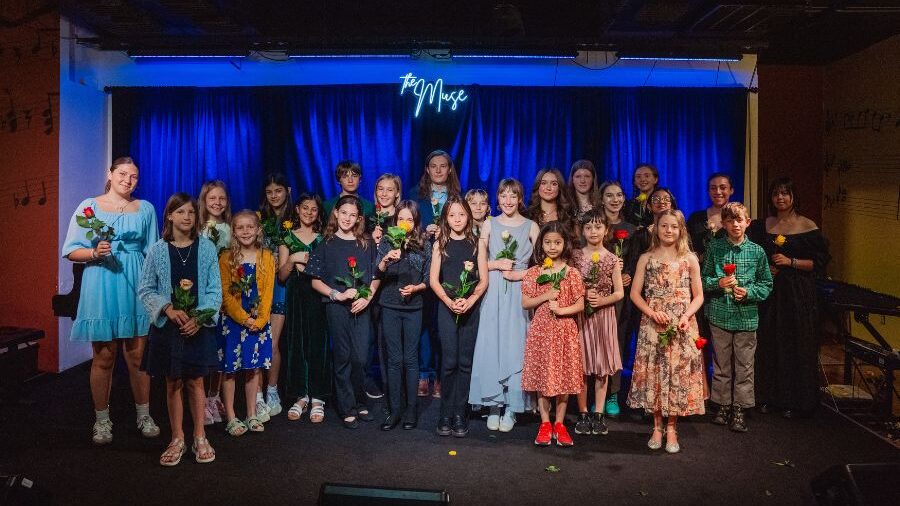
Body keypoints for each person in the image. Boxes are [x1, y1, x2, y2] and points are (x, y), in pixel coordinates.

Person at [61, 156, 160, 445]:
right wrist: (94, 252)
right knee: (104, 356)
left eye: (134, 176)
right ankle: (102, 420)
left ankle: (144, 415)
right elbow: (71, 250)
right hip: (101, 281)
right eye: (123, 174)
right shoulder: (89, 207)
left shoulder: (145, 208)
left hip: (135, 281)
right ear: (110, 173)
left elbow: (152, 251)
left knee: (137, 356)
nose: (128, 180)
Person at [139, 193, 221, 465]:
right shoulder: (157, 250)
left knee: (196, 381)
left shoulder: (206, 248)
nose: (187, 217)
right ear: (170, 216)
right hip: (169, 327)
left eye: (191, 212)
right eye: (181, 212)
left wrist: (199, 317)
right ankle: (177, 438)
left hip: (197, 326)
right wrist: (167, 309)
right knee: (173, 381)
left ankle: (199, 436)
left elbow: (214, 290)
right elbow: (146, 289)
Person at [750, 178, 830, 419]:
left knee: (795, 343)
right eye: (776, 193)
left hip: (797, 294)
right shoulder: (762, 225)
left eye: (785, 193)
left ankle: (795, 401)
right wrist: (766, 268)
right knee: (768, 342)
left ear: (793, 197)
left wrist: (790, 262)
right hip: (770, 293)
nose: (780, 198)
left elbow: (819, 263)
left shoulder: (808, 226)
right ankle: (767, 397)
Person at [627, 210, 706, 453]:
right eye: (664, 226)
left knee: (677, 375)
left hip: (681, 324)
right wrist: (652, 313)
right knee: (655, 372)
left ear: (681, 230)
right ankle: (657, 426)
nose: (669, 230)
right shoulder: (646, 258)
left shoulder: (689, 258)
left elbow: (698, 296)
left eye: (673, 226)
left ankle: (672, 427)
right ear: (656, 228)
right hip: (654, 323)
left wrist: (686, 315)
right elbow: (635, 294)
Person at [469, 178, 539, 432]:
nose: (508, 201)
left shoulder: (531, 226)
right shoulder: (489, 224)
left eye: (513, 196)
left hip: (519, 292)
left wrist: (520, 274)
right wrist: (495, 264)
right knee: (492, 344)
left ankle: (512, 407)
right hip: (493, 290)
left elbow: (544, 265)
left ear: (520, 199)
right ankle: (493, 405)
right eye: (503, 195)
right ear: (497, 199)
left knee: (516, 345)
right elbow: (476, 262)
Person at [306, 195, 381, 429]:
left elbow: (376, 276)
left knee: (360, 358)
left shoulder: (366, 243)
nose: (348, 218)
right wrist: (336, 295)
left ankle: (360, 401)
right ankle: (347, 407)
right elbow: (314, 281)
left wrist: (367, 297)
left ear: (359, 218)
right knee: (343, 357)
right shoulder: (326, 244)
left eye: (353, 215)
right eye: (344, 213)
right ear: (336, 213)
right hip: (336, 308)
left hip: (361, 307)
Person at [702, 202, 773, 433]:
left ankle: (740, 407)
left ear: (747, 222)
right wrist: (718, 282)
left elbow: (766, 283)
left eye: (739, 220)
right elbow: (702, 280)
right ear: (723, 224)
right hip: (720, 314)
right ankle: (722, 405)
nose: (735, 224)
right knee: (721, 364)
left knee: (745, 365)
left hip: (746, 317)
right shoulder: (715, 248)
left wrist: (749, 292)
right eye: (730, 220)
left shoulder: (757, 251)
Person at [521, 221, 585, 447]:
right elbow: (526, 302)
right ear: (541, 244)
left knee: (563, 378)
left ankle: (559, 423)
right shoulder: (535, 272)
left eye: (557, 242)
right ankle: (545, 423)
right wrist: (546, 296)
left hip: (565, 331)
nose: (552, 247)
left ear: (564, 244)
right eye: (548, 242)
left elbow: (580, 304)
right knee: (543, 376)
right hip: (542, 331)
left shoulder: (572, 273)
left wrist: (562, 310)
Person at [429, 196, 488, 437]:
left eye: (461, 214)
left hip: (469, 309)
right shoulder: (440, 244)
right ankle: (445, 412)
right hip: (447, 307)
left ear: (468, 216)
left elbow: (483, 279)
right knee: (449, 361)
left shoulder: (477, 243)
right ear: (446, 217)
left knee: (465, 362)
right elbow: (434, 280)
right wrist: (449, 301)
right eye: (452, 215)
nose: (457, 219)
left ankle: (459, 413)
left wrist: (470, 300)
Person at [407, 150, 461, 398]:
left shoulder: (458, 197)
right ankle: (423, 374)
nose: (438, 170)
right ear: (427, 170)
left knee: (443, 325)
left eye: (443, 166)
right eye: (433, 166)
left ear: (449, 170)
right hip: (420, 265)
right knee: (422, 324)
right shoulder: (415, 196)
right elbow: (405, 227)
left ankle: (441, 375)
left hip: (448, 267)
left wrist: (445, 232)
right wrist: (422, 233)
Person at [217, 210, 276, 436]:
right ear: (233, 232)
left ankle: (251, 413)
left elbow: (268, 292)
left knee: (253, 368)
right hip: (233, 322)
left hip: (258, 323)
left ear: (258, 229)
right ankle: (231, 416)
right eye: (240, 227)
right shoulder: (226, 258)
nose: (245, 231)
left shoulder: (267, 257)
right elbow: (226, 295)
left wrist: (260, 320)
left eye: (250, 227)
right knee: (230, 369)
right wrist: (244, 318)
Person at [375, 201, 431, 431]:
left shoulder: (424, 243)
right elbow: (376, 271)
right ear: (395, 220)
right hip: (389, 305)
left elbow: (428, 278)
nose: (404, 223)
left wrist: (416, 288)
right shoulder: (388, 241)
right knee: (394, 359)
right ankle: (394, 409)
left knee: (410, 359)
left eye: (409, 219)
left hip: (414, 307)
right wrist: (386, 259)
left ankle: (411, 410)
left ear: (416, 222)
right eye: (401, 219)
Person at [278, 193, 330, 423]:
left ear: (318, 213)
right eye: (305, 208)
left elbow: (328, 271)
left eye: (314, 209)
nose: (309, 212)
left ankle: (318, 396)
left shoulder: (324, 238)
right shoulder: (287, 238)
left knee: (318, 343)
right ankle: (301, 395)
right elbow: (281, 276)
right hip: (296, 296)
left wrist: (309, 265)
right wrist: (293, 259)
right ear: (297, 209)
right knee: (296, 344)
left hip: (318, 295)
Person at [572, 210, 623, 436]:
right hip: (582, 316)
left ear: (606, 230)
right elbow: (569, 286)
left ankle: (599, 413)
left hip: (604, 316)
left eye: (598, 227)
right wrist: (582, 295)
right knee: (582, 365)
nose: (593, 231)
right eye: (588, 227)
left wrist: (602, 300)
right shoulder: (575, 256)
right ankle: (583, 412)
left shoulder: (612, 259)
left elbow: (619, 292)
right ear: (582, 231)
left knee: (602, 367)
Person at [597, 180, 637, 417]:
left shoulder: (631, 229)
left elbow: (636, 260)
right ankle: (592, 394)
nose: (615, 199)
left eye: (619, 195)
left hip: (621, 296)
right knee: (595, 342)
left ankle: (613, 392)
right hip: (597, 293)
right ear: (601, 199)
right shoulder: (595, 225)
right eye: (609, 195)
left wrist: (628, 273)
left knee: (617, 342)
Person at [257, 173, 294, 418]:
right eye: (269, 192)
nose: (274, 196)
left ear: (287, 191)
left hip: (282, 284)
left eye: (278, 191)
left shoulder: (294, 219)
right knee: (258, 341)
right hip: (260, 284)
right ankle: (257, 395)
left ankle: (272, 390)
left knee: (273, 342)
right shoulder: (260, 218)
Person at [197, 180, 231, 426]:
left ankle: (214, 396)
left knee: (221, 349)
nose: (217, 203)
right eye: (212, 198)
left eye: (222, 198)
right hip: (202, 295)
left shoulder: (230, 229)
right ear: (204, 201)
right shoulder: (197, 229)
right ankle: (200, 400)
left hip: (226, 295)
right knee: (204, 348)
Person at [686, 173, 733, 263]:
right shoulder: (695, 218)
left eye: (723, 188)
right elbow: (685, 247)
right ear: (708, 192)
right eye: (713, 188)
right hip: (700, 269)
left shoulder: (738, 220)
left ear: (731, 190)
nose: (718, 192)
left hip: (731, 269)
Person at [524, 168, 576, 236]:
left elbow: (576, 240)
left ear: (559, 188)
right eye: (543, 183)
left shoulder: (569, 216)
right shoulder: (528, 215)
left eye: (554, 184)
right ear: (538, 186)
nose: (548, 188)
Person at [624, 163, 659, 228]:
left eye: (647, 176)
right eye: (638, 177)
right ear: (634, 182)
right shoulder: (630, 205)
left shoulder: (662, 203)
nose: (642, 179)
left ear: (655, 179)